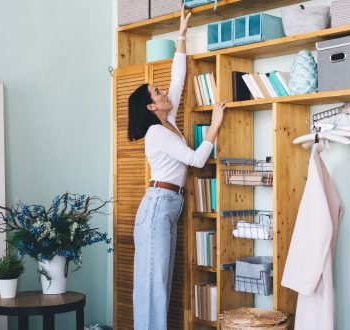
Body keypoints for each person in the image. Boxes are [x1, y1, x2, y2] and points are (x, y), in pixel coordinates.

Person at [127, 9, 227, 330]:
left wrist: (182, 35)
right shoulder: (156, 133)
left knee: (160, 282)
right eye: (157, 92)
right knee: (152, 285)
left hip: (167, 206)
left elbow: (178, 79)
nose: (164, 92)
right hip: (158, 207)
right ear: (151, 107)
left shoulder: (167, 124)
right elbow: (196, 160)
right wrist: (213, 126)